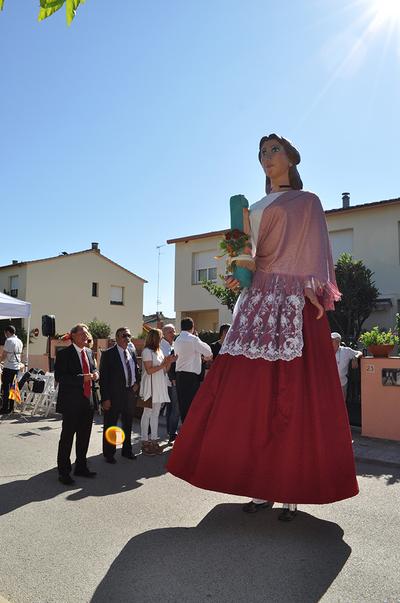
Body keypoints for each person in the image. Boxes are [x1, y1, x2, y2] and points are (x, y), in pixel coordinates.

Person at [167, 134, 359, 521]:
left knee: (294, 393)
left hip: (293, 301)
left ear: (291, 159)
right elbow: (249, 257)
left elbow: (316, 251)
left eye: (275, 150)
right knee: (247, 396)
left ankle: (292, 488)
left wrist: (313, 290)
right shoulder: (251, 208)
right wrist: (239, 272)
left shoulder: (307, 201)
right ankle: (257, 482)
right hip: (256, 305)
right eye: (262, 153)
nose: (268, 157)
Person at [55, 323, 98, 485]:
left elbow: (94, 370)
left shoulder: (88, 352)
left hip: (88, 402)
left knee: (84, 436)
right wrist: (83, 378)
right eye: (82, 334)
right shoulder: (64, 354)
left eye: (87, 334)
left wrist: (95, 374)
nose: (85, 336)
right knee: (67, 438)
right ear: (73, 336)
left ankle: (81, 466)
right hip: (71, 402)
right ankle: (64, 472)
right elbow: (61, 377)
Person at [100, 327, 140, 463]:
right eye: (124, 335)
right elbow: (103, 379)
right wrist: (105, 398)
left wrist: (137, 383)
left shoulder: (132, 351)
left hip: (129, 393)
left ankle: (126, 450)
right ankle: (109, 453)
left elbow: (136, 368)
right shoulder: (108, 354)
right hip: (114, 395)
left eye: (129, 335)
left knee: (128, 423)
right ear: (117, 337)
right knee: (111, 424)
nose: (127, 338)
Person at [140, 328, 175, 456]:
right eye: (160, 337)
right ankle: (145, 441)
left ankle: (154, 440)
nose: (161, 339)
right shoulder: (146, 351)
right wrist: (163, 364)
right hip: (149, 387)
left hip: (159, 386)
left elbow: (164, 371)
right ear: (154, 338)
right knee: (147, 413)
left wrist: (169, 362)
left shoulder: (159, 351)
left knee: (155, 414)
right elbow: (149, 370)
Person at [173, 318, 212, 422]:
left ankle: (184, 431)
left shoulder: (177, 339)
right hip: (190, 377)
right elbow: (208, 352)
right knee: (191, 406)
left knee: (183, 406)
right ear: (192, 327)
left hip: (179, 376)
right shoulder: (193, 339)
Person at [160, 323, 180, 444]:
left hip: (169, 381)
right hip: (168, 381)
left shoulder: (172, 344)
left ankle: (170, 431)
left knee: (171, 407)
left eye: (174, 331)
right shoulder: (162, 346)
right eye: (170, 332)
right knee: (174, 408)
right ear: (164, 334)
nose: (173, 334)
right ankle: (172, 433)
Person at [331, 332, 362, 400]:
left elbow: (359, 353)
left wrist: (355, 358)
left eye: (332, 340)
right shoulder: (326, 350)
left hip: (342, 383)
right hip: (329, 384)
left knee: (342, 405)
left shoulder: (346, 351)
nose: (330, 342)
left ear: (338, 341)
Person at [0, 325, 23, 415]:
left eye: (5, 333)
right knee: (13, 388)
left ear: (8, 332)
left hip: (8, 367)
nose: (5, 335)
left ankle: (4, 408)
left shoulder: (9, 340)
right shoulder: (19, 341)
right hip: (16, 368)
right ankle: (11, 408)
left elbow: (4, 354)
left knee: (6, 388)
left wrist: (0, 360)